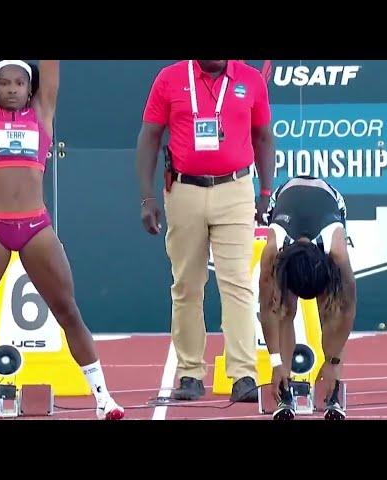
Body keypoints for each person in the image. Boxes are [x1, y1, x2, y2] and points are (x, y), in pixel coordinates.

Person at [0, 60, 124, 420]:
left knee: (68, 311)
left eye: (18, 83)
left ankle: (103, 398)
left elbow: (51, 69)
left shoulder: (42, 114)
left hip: (35, 228)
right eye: (4, 83)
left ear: (31, 90)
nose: (11, 88)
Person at [136, 60, 275, 402]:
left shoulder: (250, 79)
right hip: (184, 190)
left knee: (238, 283)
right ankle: (189, 374)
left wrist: (266, 192)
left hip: (235, 187)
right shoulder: (170, 78)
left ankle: (243, 375)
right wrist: (147, 197)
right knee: (186, 284)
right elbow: (149, 135)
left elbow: (263, 136)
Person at [258, 176, 356, 420]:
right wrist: (276, 363)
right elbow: (267, 309)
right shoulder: (274, 251)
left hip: (328, 203)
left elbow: (347, 310)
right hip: (285, 199)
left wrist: (332, 361)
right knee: (284, 309)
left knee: (331, 308)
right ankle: (285, 388)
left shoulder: (336, 251)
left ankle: (332, 390)